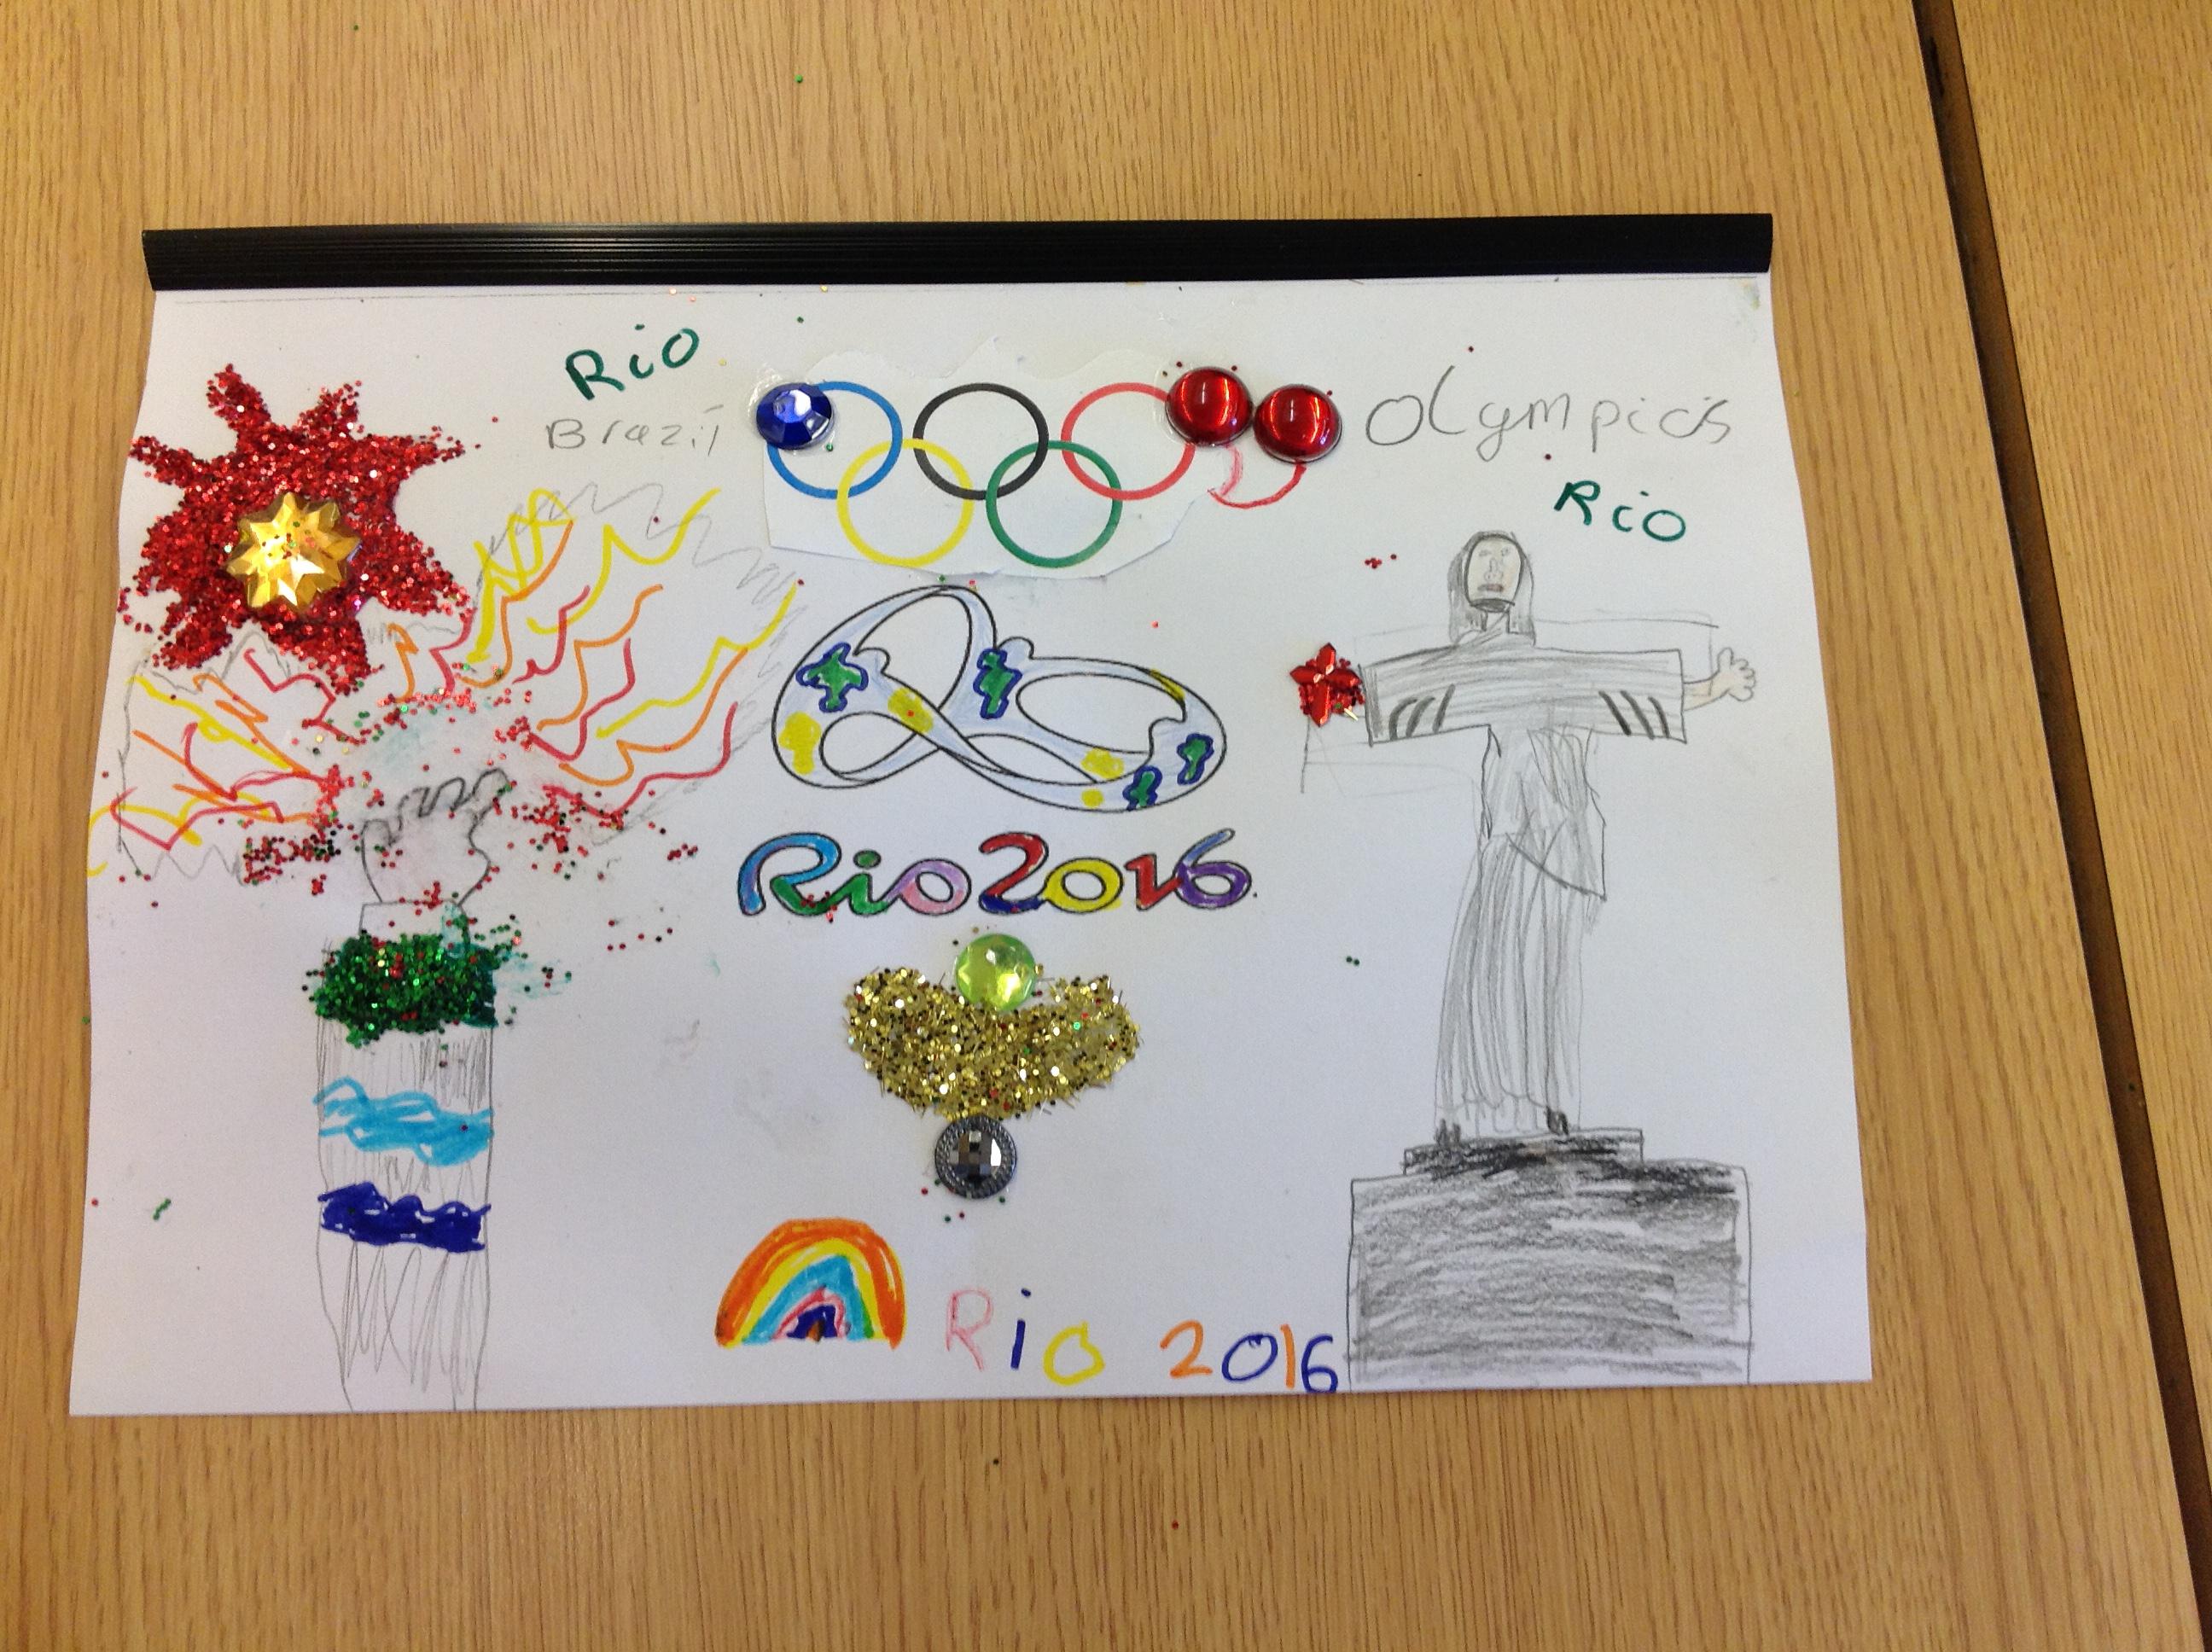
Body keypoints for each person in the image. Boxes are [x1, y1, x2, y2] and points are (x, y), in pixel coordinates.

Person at [1356, 531, 1755, 1137]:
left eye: (1507, 559)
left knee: (1542, 975)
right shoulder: (1472, 666)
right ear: (1462, 577)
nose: (1495, 568)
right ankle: (1468, 1111)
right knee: (1488, 973)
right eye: (1483, 559)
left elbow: (1633, 693)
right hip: (1510, 839)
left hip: (1560, 844)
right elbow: (1395, 701)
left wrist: (1713, 687)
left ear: (1524, 581)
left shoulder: (1552, 669)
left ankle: (1546, 1105)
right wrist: (1332, 694)